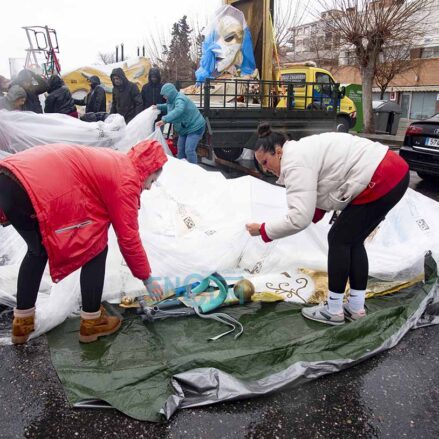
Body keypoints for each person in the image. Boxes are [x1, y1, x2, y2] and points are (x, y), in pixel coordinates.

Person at [0, 140, 167, 345]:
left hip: (9, 177)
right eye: (151, 181)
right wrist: (146, 277)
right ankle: (92, 322)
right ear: (148, 170)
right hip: (34, 186)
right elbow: (128, 238)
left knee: (37, 252)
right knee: (96, 248)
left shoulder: (115, 161)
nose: (149, 188)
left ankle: (22, 324)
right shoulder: (127, 179)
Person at [246, 123, 409, 326]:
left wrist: (262, 230)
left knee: (339, 240)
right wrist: (313, 213)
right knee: (353, 241)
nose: (265, 168)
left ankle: (333, 310)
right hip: (394, 172)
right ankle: (356, 307)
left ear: (278, 152)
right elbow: (325, 186)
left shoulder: (294, 161)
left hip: (381, 175)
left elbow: (299, 218)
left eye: (265, 161)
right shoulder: (301, 151)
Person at [155, 83, 206, 164]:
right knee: (180, 150)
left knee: (189, 150)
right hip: (184, 128)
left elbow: (178, 110)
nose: (164, 97)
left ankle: (194, 172)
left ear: (170, 93)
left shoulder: (180, 99)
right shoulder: (171, 100)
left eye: (165, 95)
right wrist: (158, 106)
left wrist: (164, 120)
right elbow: (168, 106)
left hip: (195, 127)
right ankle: (182, 170)